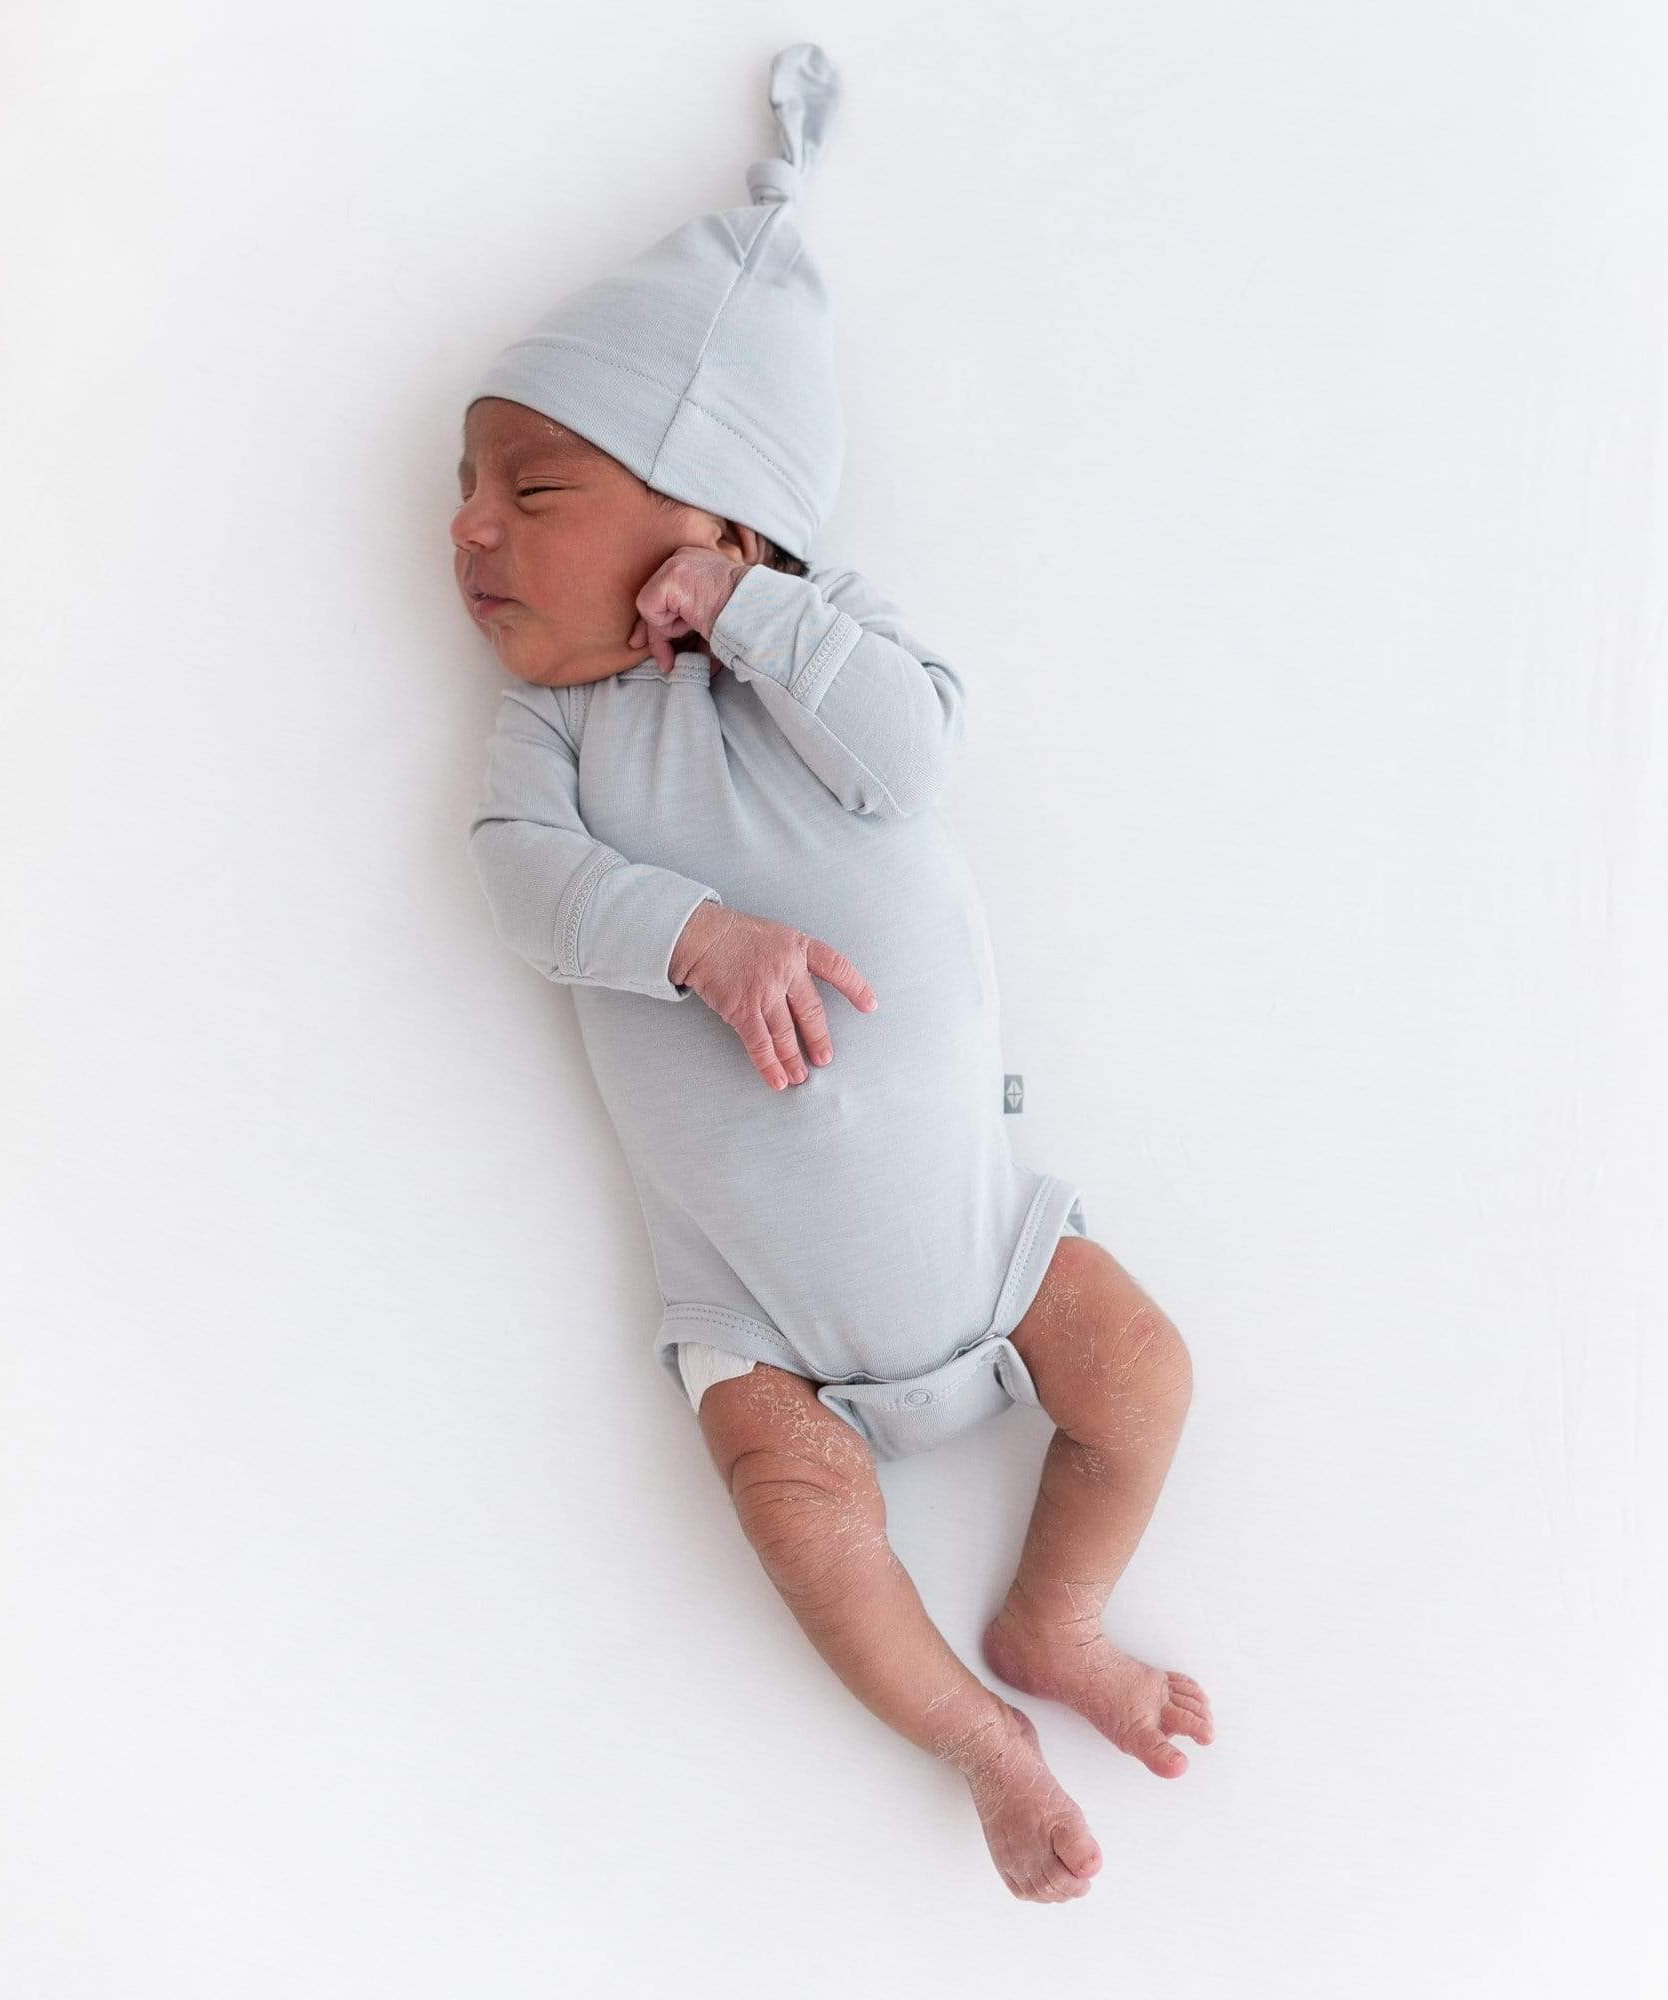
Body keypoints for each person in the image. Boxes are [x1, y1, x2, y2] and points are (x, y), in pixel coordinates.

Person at [461, 43, 1211, 1905]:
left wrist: (758, 614)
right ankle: (978, 1731)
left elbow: (915, 753)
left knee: (1144, 1377)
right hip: (760, 1328)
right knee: (800, 1513)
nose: (468, 532)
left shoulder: (813, 658)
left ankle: (1060, 1616)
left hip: (990, 1245)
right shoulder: (541, 742)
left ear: (714, 509)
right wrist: (697, 938)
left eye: (530, 490)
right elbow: (526, 897)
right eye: (463, 492)